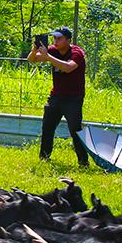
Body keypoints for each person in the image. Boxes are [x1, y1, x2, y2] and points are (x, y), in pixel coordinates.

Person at [29, 25, 89, 167]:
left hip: (73, 98)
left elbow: (68, 68)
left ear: (68, 40)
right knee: (47, 127)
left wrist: (48, 57)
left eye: (59, 38)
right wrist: (35, 50)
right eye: (54, 37)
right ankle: (44, 158)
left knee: (75, 130)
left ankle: (83, 162)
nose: (55, 40)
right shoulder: (52, 50)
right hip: (56, 96)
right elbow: (32, 60)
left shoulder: (77, 52)